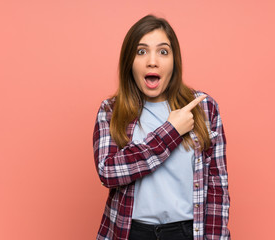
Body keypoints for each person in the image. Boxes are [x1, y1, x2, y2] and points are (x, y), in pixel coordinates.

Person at [93, 14, 230, 240]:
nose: (153, 61)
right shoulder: (111, 110)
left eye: (163, 51)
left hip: (186, 232)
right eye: (141, 51)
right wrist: (171, 131)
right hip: (130, 232)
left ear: (174, 61)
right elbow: (108, 172)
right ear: (129, 61)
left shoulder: (203, 107)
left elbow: (217, 188)